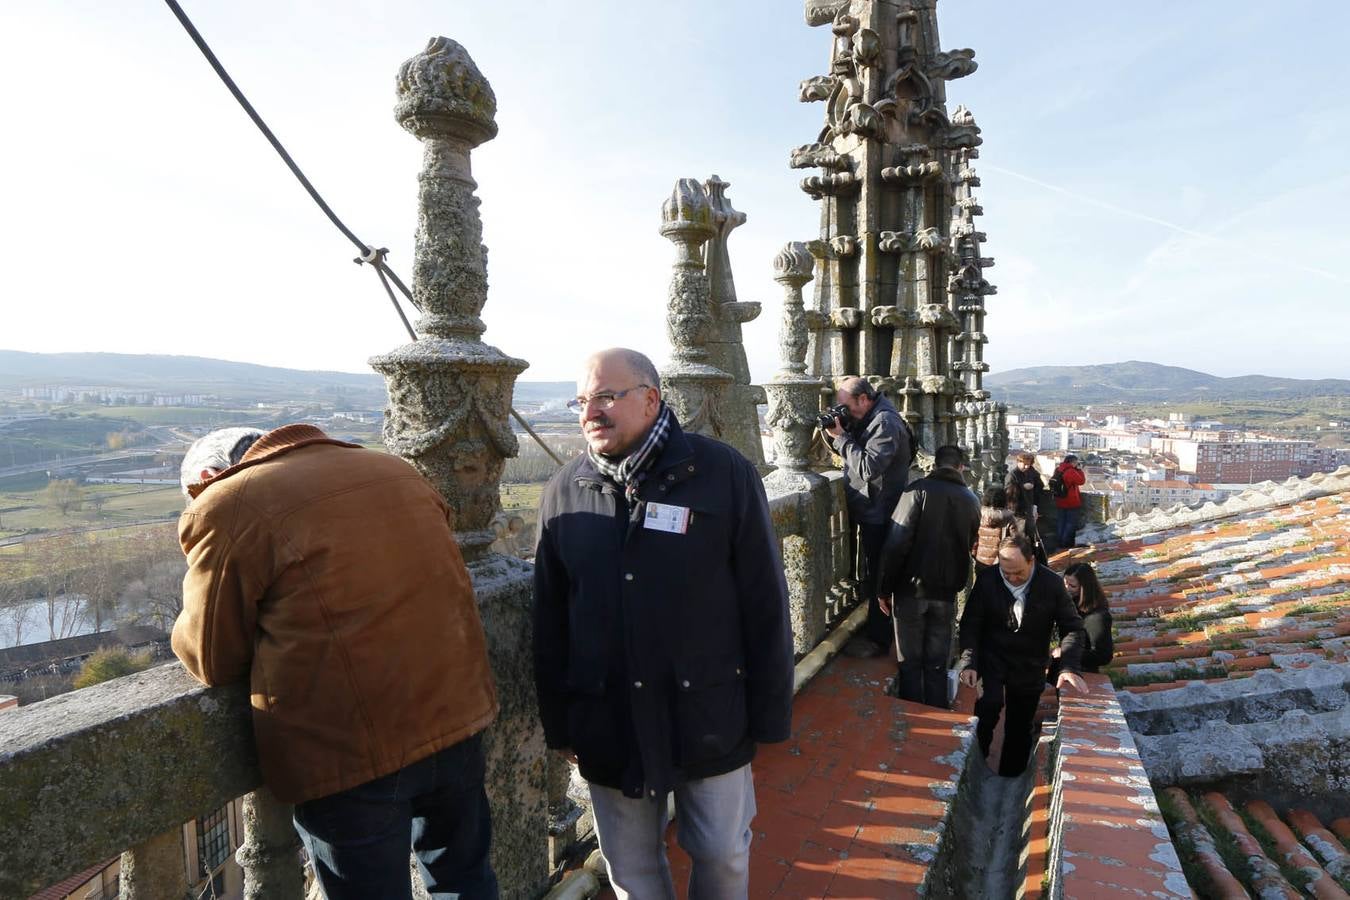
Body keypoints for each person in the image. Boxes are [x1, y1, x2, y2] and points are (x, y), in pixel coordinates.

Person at [173, 424, 499, 899]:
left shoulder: (231, 500)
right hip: (457, 720)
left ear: (207, 476)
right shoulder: (394, 469)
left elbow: (210, 657)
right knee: (466, 882)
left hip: (353, 755)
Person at [533, 348, 794, 900]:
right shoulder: (563, 489)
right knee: (631, 873)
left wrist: (769, 714)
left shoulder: (722, 472)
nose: (590, 413)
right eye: (583, 400)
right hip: (609, 717)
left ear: (651, 399)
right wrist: (561, 724)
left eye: (606, 396)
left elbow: (764, 600)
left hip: (708, 711)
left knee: (723, 857)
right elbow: (550, 620)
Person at [957, 533, 1088, 777]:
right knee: (987, 709)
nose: (1012, 579)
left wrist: (1069, 666)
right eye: (1006, 573)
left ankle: (1011, 777)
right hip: (992, 657)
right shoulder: (987, 580)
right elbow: (971, 624)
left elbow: (1073, 628)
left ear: (1032, 561)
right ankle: (976, 769)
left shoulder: (1050, 585)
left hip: (1030, 662)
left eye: (1018, 573)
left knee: (1019, 724)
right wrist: (969, 662)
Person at [875, 444, 981, 709]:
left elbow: (896, 543)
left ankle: (913, 717)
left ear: (934, 465)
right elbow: (970, 544)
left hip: (910, 590)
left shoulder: (916, 491)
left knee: (910, 663)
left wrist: (883, 589)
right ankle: (937, 712)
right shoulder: (970, 499)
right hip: (946, 594)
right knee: (936, 664)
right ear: (961, 467)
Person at [823, 376, 913, 658]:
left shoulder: (884, 421)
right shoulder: (873, 417)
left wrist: (842, 439)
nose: (844, 411)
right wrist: (837, 432)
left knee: (879, 575)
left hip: (881, 512)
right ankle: (877, 630)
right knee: (874, 573)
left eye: (845, 406)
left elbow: (867, 468)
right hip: (873, 509)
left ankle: (878, 638)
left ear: (863, 399)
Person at [1052, 562, 1114, 675]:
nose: (1066, 588)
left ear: (1084, 588)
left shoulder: (1097, 617)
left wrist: (1066, 652)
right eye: (1065, 583)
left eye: (1072, 586)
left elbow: (1103, 655)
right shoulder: (1069, 604)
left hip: (1082, 673)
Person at [974, 485, 1019, 574]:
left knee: (981, 584)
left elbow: (974, 538)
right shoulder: (1009, 517)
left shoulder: (979, 515)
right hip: (1001, 561)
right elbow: (1015, 540)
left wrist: (974, 554)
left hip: (981, 560)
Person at [1052, 454, 1087, 549]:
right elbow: (1081, 481)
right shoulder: (1070, 471)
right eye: (1076, 462)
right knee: (1070, 523)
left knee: (1061, 522)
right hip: (1071, 501)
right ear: (1072, 462)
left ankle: (1059, 542)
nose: (1077, 464)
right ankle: (1065, 543)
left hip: (1059, 500)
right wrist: (1079, 470)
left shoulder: (1058, 469)